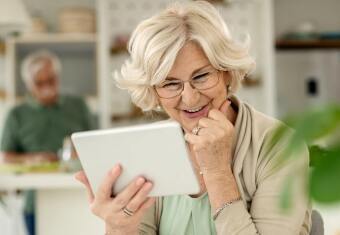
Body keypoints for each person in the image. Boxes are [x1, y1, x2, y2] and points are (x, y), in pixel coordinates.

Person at [75, 1, 311, 234]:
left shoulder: (280, 146)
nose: (189, 98)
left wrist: (218, 172)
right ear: (154, 92)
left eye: (201, 77)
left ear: (227, 72)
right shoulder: (150, 147)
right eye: (170, 84)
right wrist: (119, 227)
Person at [0, 50, 94, 235]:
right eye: (39, 82)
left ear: (58, 76)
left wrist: (81, 152)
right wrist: (33, 158)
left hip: (78, 197)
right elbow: (5, 156)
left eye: (51, 80)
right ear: (28, 84)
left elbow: (96, 146)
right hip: (36, 201)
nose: (47, 87)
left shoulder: (78, 106)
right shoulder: (17, 114)